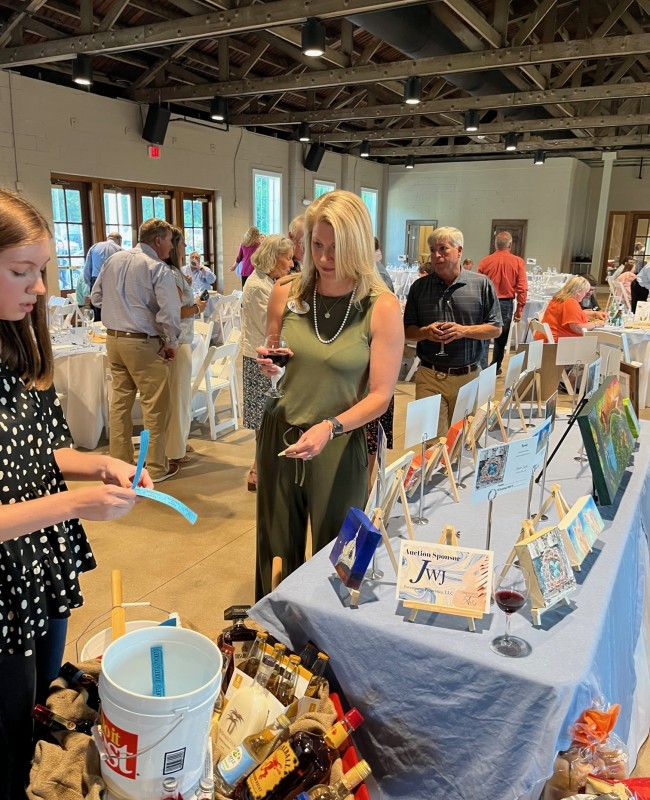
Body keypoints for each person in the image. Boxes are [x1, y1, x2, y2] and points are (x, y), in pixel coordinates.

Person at [0, 189, 152, 799]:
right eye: (21, 272)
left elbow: (43, 449)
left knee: (48, 710)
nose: (38, 289)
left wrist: (100, 466)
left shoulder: (17, 343)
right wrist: (73, 503)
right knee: (10, 733)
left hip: (42, 563)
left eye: (41, 272)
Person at [255, 190, 404, 599]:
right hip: (281, 434)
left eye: (336, 248)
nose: (323, 259)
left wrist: (331, 427)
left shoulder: (381, 307)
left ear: (359, 245)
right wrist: (269, 368)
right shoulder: (286, 293)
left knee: (337, 556)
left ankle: (329, 644)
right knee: (276, 548)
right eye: (317, 245)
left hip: (339, 441)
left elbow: (380, 396)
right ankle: (275, 640)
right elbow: (272, 363)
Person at [92, 219, 181, 483]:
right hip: (143, 342)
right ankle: (154, 468)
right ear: (157, 241)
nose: (170, 246)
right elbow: (170, 313)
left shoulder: (114, 261)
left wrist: (121, 308)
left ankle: (121, 465)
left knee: (120, 403)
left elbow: (96, 297)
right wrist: (171, 342)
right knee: (155, 407)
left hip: (114, 339)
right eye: (168, 240)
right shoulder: (157, 268)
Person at [404, 226, 502, 437]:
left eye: (443, 249)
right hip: (429, 375)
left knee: (460, 441)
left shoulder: (481, 285)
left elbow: (495, 329)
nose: (436, 256)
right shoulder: (419, 288)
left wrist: (463, 331)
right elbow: (406, 332)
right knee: (427, 443)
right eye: (433, 250)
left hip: (468, 376)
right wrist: (425, 332)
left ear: (459, 250)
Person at [241, 235, 295, 492]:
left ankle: (259, 469)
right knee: (263, 419)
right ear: (274, 257)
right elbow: (271, 327)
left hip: (262, 355)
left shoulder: (266, 281)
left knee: (268, 416)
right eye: (288, 257)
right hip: (258, 358)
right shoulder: (259, 286)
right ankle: (256, 473)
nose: (292, 263)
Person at [166, 229, 207, 465]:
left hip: (181, 339)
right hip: (178, 339)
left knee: (180, 397)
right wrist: (197, 308)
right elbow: (176, 310)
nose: (185, 248)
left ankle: (178, 442)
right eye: (182, 244)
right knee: (178, 398)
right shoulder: (171, 273)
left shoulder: (175, 273)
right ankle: (175, 450)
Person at [477, 231, 528, 376]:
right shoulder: (518, 262)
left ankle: (482, 367)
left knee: (484, 336)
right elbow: (522, 288)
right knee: (501, 337)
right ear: (510, 245)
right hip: (505, 303)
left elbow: (478, 285)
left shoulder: (485, 261)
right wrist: (520, 308)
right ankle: (495, 367)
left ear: (495, 244)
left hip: (486, 302)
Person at [534, 276, 606, 341]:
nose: (584, 295)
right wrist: (596, 324)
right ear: (578, 291)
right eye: (585, 292)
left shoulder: (558, 299)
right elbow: (577, 328)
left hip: (545, 339)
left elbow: (570, 314)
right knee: (595, 344)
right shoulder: (570, 302)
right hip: (560, 343)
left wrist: (594, 313)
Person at [83, 231, 122, 322]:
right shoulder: (120, 249)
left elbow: (87, 269)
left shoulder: (94, 247)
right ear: (119, 240)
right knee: (111, 309)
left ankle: (97, 333)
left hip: (95, 279)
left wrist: (89, 287)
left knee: (96, 311)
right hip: (113, 281)